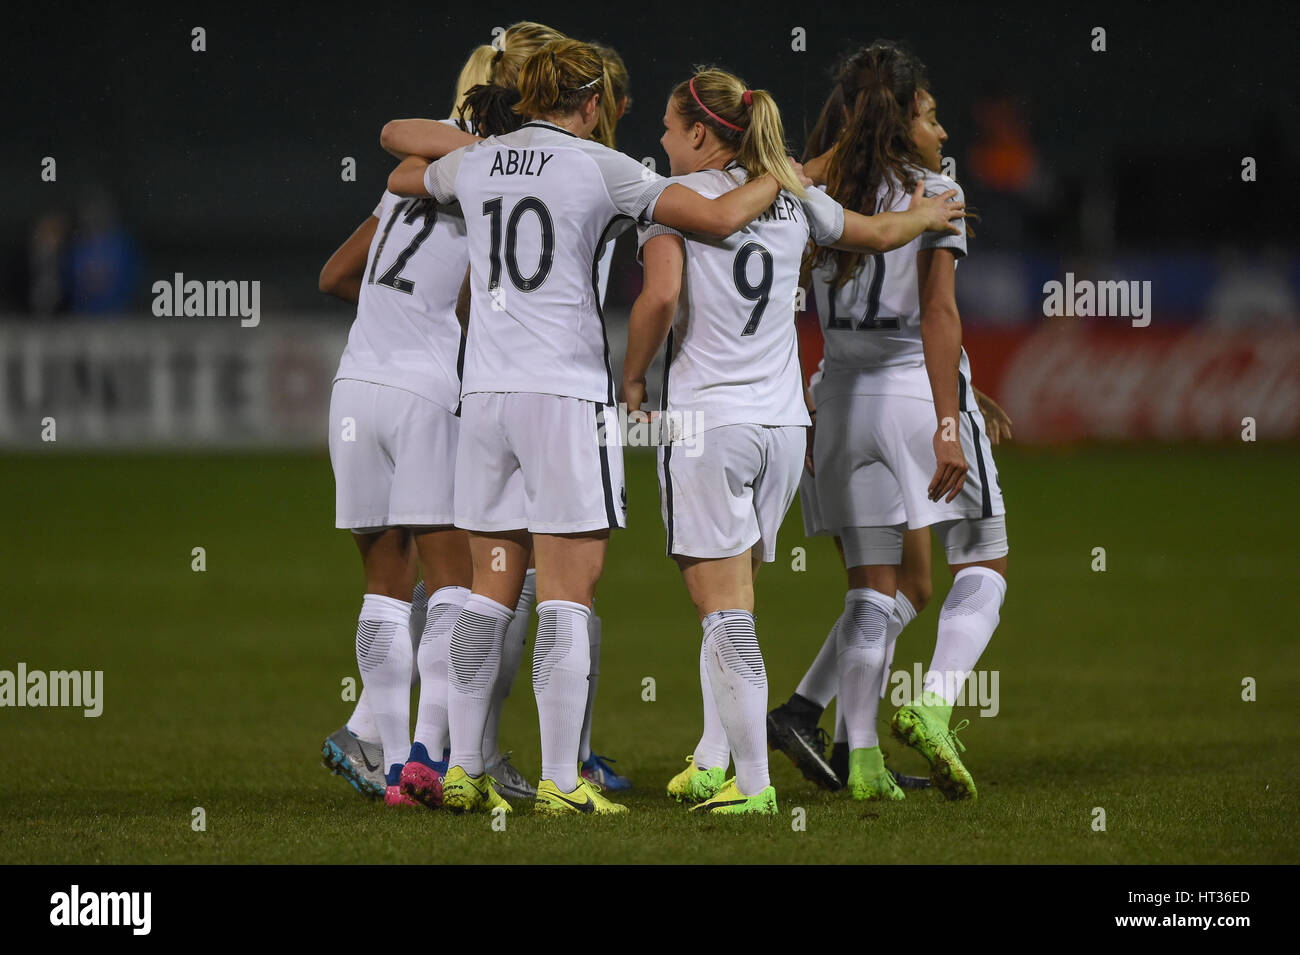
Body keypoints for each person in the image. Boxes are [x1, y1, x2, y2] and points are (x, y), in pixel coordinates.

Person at [387, 38, 792, 816]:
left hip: (486, 400)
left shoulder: (479, 160)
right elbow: (710, 216)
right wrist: (778, 167)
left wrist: (481, 150)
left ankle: (464, 767)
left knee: (485, 592)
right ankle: (562, 781)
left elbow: (399, 159)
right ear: (593, 101)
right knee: (568, 595)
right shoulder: (602, 168)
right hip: (563, 399)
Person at [622, 67, 965, 814]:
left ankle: (752, 784)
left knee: (722, 611)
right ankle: (714, 758)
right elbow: (874, 234)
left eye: (671, 129)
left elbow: (663, 295)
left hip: (709, 423)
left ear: (703, 136)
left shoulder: (674, 204)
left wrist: (632, 380)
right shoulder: (791, 197)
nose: (660, 140)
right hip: (782, 426)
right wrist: (926, 218)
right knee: (735, 601)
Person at [802, 41, 1010, 801]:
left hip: (838, 397)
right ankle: (931, 701)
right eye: (929, 112)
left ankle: (860, 763)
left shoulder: (814, 186)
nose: (944, 130)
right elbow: (938, 312)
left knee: (870, 589)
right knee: (984, 558)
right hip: (911, 395)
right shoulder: (934, 188)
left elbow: (789, 181)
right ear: (903, 117)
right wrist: (951, 420)